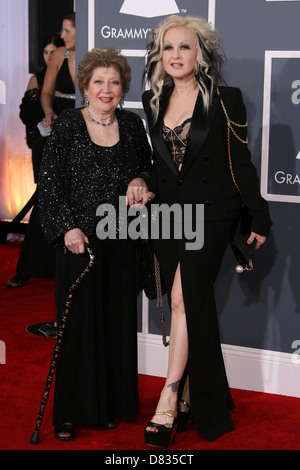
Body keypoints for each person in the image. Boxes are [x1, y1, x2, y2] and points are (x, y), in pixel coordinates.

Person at [141, 15, 272, 447]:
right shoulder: (152, 98)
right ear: (160, 56)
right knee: (185, 303)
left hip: (213, 214)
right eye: (168, 48)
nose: (175, 56)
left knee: (182, 297)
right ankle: (196, 394)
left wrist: (258, 214)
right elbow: (160, 167)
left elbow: (241, 161)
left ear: (200, 54)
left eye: (184, 47)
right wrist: (139, 182)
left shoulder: (225, 98)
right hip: (171, 217)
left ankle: (169, 396)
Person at [38, 47, 152, 440]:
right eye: (98, 82)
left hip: (122, 241)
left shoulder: (133, 126)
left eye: (115, 82)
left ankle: (109, 407)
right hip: (78, 243)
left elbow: (146, 167)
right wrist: (67, 228)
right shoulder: (69, 124)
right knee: (78, 329)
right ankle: (69, 412)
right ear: (85, 86)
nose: (107, 89)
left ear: (123, 88)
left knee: (115, 326)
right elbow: (49, 183)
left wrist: (141, 180)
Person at [6, 33, 64, 288]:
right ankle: (26, 269)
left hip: (64, 142)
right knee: (43, 203)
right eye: (46, 53)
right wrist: (46, 114)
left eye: (54, 52)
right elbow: (27, 114)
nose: (49, 57)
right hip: (44, 143)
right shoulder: (37, 79)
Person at [40, 12, 76, 129]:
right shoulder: (59, 55)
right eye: (62, 30)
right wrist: (49, 112)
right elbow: (46, 93)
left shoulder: (94, 57)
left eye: (67, 31)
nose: (62, 36)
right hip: (59, 121)